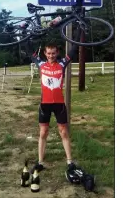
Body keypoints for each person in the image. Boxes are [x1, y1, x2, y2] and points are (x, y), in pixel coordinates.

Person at [31, 43, 80, 180]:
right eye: (48, 53)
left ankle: (70, 162)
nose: (51, 55)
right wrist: (25, 32)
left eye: (53, 53)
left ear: (57, 53)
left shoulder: (62, 64)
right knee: (43, 132)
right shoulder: (40, 64)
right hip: (45, 104)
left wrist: (79, 31)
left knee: (64, 132)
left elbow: (73, 50)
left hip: (59, 104)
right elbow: (30, 51)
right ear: (45, 54)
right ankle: (40, 162)